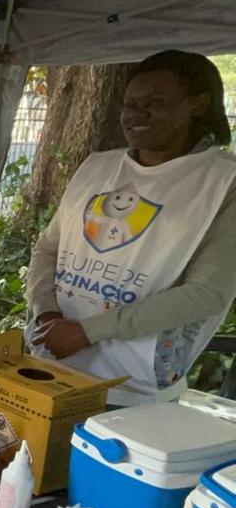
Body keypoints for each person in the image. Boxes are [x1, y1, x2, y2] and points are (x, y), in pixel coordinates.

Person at [26, 50, 236, 407]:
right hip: (52, 363)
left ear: (198, 104)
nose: (137, 114)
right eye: (130, 104)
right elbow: (48, 249)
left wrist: (88, 332)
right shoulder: (98, 167)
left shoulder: (222, 182)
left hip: (131, 390)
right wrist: (47, 315)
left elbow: (207, 293)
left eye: (155, 102)